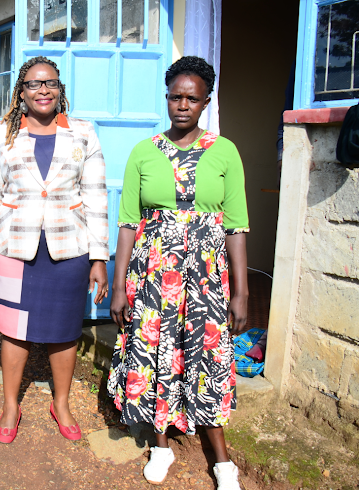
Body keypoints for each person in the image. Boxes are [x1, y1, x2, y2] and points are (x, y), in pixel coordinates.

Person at [107, 56, 249, 490]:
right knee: (155, 355)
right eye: (175, 96)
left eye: (192, 97)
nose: (182, 104)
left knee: (208, 358)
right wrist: (118, 286)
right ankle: (162, 445)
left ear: (207, 100)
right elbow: (128, 221)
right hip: (153, 275)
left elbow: (236, 225)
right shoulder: (143, 152)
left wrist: (241, 292)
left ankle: (223, 462)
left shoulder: (224, 151)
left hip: (206, 277)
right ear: (166, 98)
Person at [0, 56, 110, 444]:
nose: (42, 90)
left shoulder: (83, 133)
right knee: (15, 331)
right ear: (21, 92)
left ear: (60, 89)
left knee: (64, 330)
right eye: (33, 84)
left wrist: (99, 257)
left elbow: (95, 197)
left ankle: (60, 403)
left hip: (69, 248)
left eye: (50, 83)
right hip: (14, 248)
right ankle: (11, 405)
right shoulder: (0, 134)